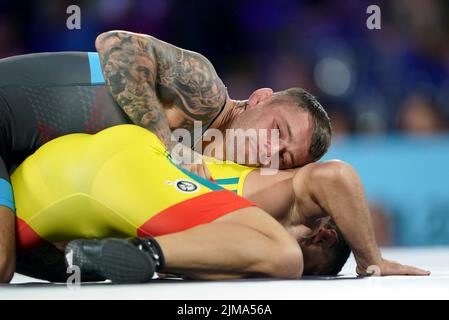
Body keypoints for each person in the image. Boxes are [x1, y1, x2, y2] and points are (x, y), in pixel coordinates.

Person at [0, 31, 331, 281]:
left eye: (283, 158)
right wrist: (170, 144)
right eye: (276, 131)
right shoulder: (206, 92)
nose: (268, 151)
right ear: (260, 98)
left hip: (19, 157)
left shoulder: (206, 167)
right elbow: (115, 43)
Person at [12, 125, 429, 283]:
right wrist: (371, 259)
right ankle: (146, 254)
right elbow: (335, 175)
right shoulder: (291, 197)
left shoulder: (225, 178)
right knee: (283, 258)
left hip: (47, 179)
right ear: (322, 233)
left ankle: (130, 255)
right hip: (128, 172)